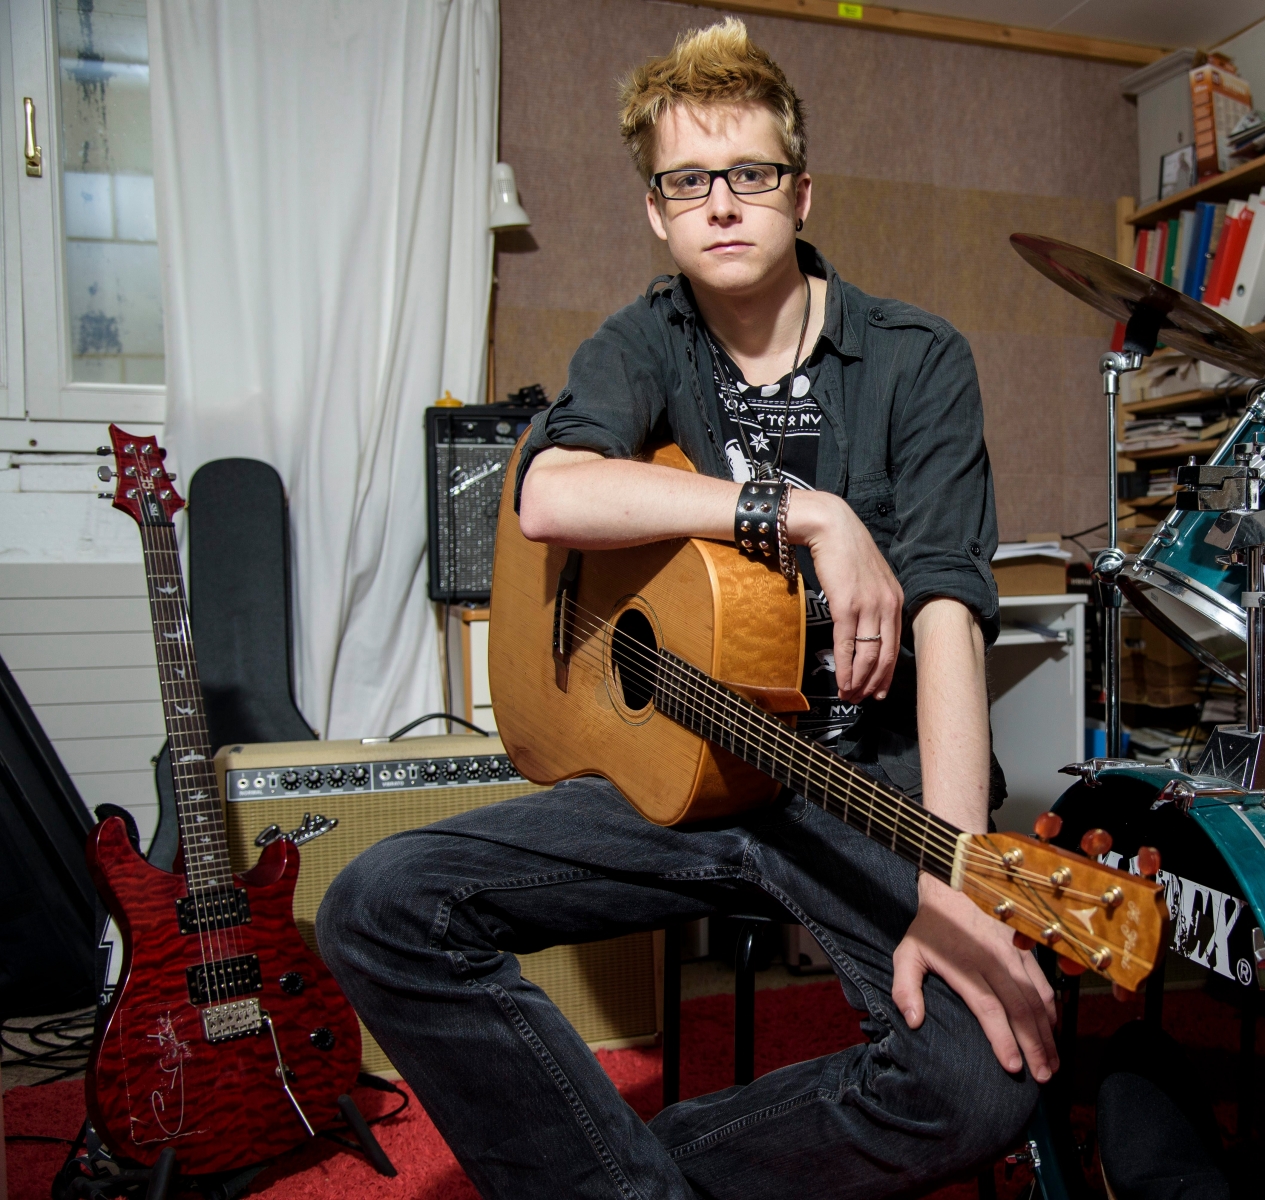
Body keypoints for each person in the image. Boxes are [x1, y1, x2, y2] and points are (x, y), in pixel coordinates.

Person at [318, 18, 1053, 1199]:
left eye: (751, 175)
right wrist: (801, 512)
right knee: (376, 904)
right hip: (683, 780)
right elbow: (550, 495)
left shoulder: (920, 359)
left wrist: (956, 882)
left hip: (859, 786)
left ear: (800, 192)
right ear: (657, 213)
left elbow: (951, 618)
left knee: (981, 1086)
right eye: (687, 182)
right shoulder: (646, 338)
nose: (722, 203)